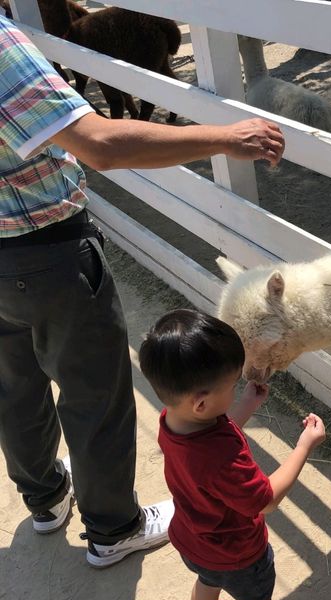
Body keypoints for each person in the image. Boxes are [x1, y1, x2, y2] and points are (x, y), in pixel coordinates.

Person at [0, 12, 285, 568]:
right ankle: (113, 529)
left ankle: (45, 498)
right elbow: (97, 143)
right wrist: (226, 137)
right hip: (46, 248)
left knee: (14, 384)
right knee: (95, 395)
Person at [139, 309, 325, 600]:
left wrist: (246, 406)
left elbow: (211, 439)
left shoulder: (172, 421)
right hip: (238, 553)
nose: (238, 387)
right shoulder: (222, 458)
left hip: (192, 539)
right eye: (232, 384)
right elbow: (265, 500)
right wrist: (304, 446)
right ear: (201, 404)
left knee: (207, 582)